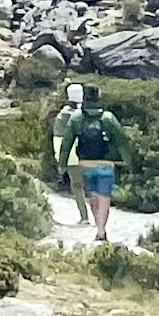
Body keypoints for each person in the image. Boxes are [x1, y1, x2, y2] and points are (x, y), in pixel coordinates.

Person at [51, 80, 124, 241]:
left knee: (79, 188)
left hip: (76, 158)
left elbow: (63, 140)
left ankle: (87, 217)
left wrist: (61, 162)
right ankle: (99, 225)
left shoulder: (65, 116)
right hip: (94, 158)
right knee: (98, 191)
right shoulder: (99, 116)